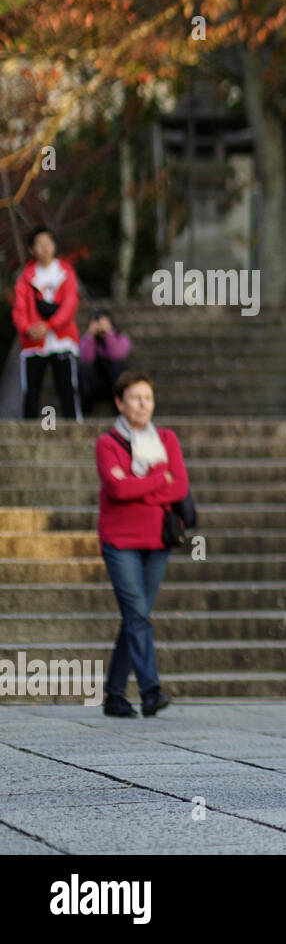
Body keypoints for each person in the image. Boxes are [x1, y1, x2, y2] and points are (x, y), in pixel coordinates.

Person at [95, 372, 187, 718]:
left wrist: (136, 482)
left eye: (147, 397)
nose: (142, 404)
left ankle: (114, 695)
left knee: (137, 617)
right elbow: (116, 491)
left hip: (157, 541)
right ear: (120, 402)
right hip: (120, 542)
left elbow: (178, 487)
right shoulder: (107, 443)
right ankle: (151, 691)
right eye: (135, 397)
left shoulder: (167, 438)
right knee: (137, 614)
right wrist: (155, 480)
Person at [13, 226, 81, 422]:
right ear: (31, 249)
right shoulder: (25, 277)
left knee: (67, 386)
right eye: (39, 244)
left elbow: (70, 304)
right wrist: (28, 328)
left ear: (54, 245)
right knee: (31, 390)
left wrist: (50, 325)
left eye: (48, 243)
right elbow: (19, 309)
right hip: (33, 341)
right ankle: (27, 430)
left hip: (62, 338)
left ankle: (74, 426)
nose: (45, 248)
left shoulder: (66, 272)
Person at [79, 309, 132, 416]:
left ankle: (119, 408)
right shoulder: (87, 339)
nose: (100, 325)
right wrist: (90, 336)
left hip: (114, 380)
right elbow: (86, 358)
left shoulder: (121, 337)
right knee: (84, 368)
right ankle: (85, 411)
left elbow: (116, 355)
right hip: (95, 383)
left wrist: (108, 334)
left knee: (118, 366)